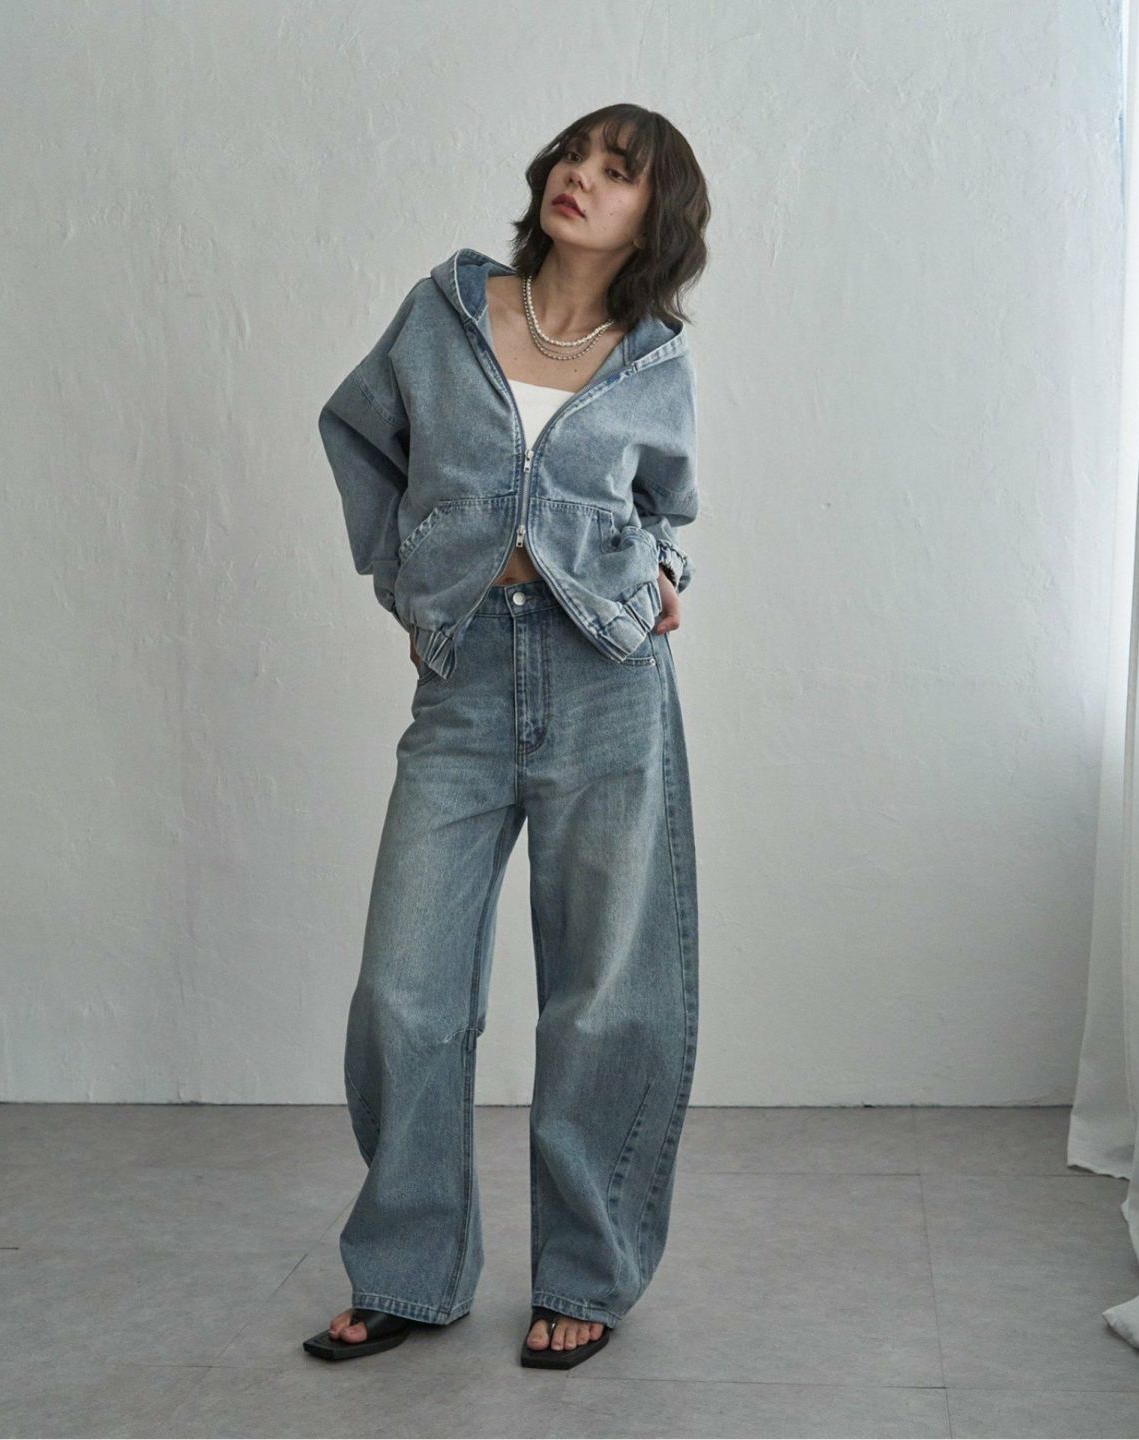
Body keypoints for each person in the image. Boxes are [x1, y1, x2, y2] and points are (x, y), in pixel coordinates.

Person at [303, 103, 710, 1370]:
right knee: (405, 988)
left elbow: (665, 503)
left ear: (655, 218)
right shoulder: (448, 311)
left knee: (604, 997)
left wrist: (662, 572)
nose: (581, 178)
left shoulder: (652, 357)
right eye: (575, 156)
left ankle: (584, 1269)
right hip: (468, 679)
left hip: (606, 679)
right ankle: (409, 1269)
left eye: (618, 173)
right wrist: (415, 584)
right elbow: (360, 434)